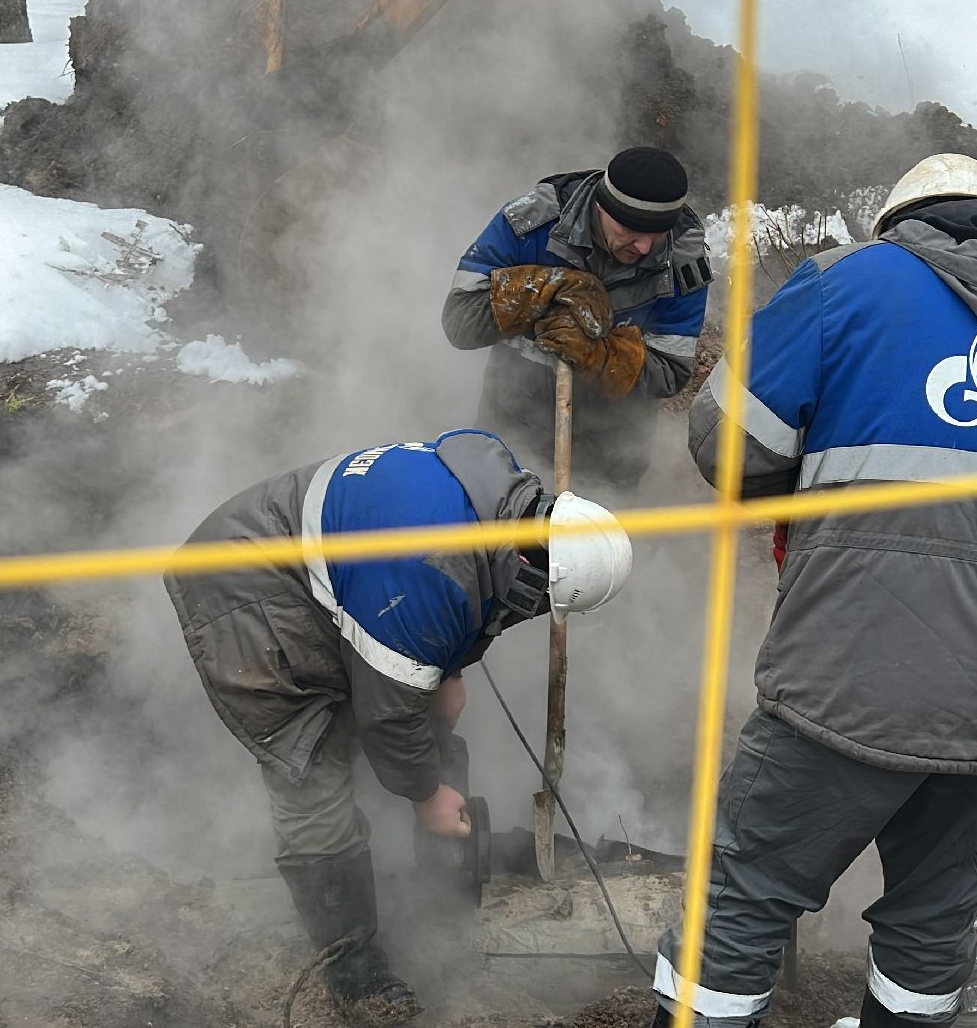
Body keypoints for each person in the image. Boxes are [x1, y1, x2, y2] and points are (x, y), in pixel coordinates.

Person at [651, 155, 977, 1028]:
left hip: (854, 673)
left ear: (906, 225)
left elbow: (728, 449)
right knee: (932, 931)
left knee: (742, 901)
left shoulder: (851, 281)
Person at [165, 428, 633, 1024]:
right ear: (532, 564)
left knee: (421, 704)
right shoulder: (432, 573)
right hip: (243, 587)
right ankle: (352, 966)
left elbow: (448, 616)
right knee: (314, 767)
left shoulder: (501, 495)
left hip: (328, 574)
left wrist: (450, 667)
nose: (537, 611)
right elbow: (387, 716)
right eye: (542, 601)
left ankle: (435, 895)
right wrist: (427, 795)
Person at [443, 146, 713, 488]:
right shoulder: (532, 224)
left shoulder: (682, 260)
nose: (644, 247)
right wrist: (540, 289)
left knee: (598, 541)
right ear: (602, 206)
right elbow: (459, 322)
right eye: (631, 228)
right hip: (512, 432)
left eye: (656, 234)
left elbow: (671, 371)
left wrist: (599, 355)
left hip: (613, 454)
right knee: (501, 535)